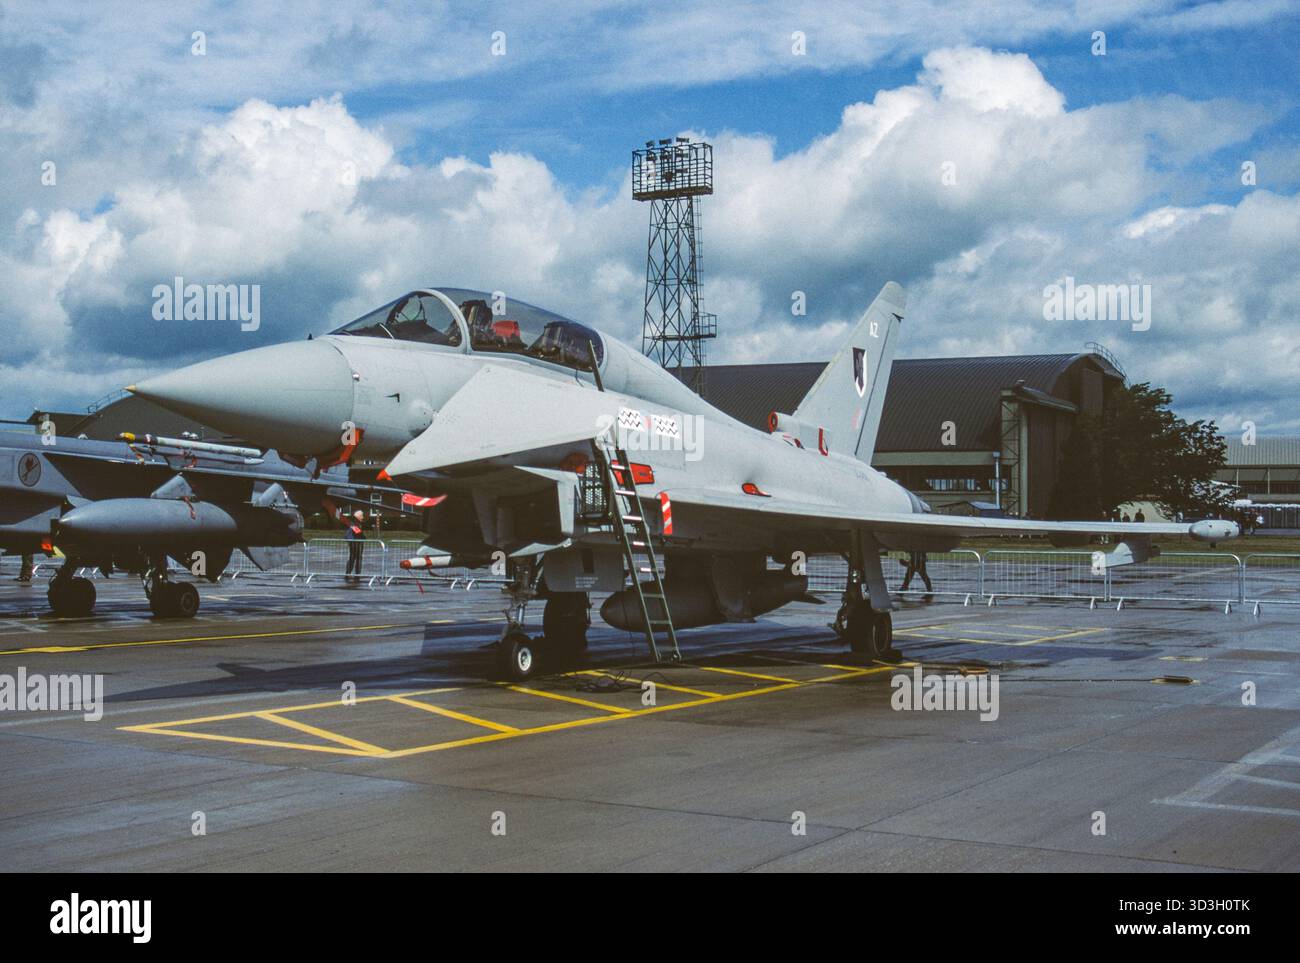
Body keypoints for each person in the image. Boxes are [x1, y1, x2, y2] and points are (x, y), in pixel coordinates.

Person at [344, 509, 365, 581]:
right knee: (357, 559)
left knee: (352, 558)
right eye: (362, 516)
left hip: (354, 542)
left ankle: (348, 573)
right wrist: (363, 537)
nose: (363, 517)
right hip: (356, 543)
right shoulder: (355, 523)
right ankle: (357, 575)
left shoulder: (353, 522)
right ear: (358, 516)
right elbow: (358, 532)